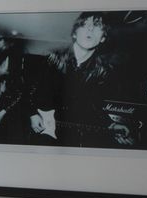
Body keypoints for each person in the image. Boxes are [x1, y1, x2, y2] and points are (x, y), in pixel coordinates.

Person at [29, 13, 137, 148]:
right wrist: (32, 114)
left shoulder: (104, 73)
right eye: (85, 25)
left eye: (97, 26)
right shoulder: (50, 60)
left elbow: (92, 109)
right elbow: (25, 92)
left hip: (67, 138)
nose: (90, 29)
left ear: (103, 38)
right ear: (75, 33)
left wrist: (112, 125)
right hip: (38, 135)